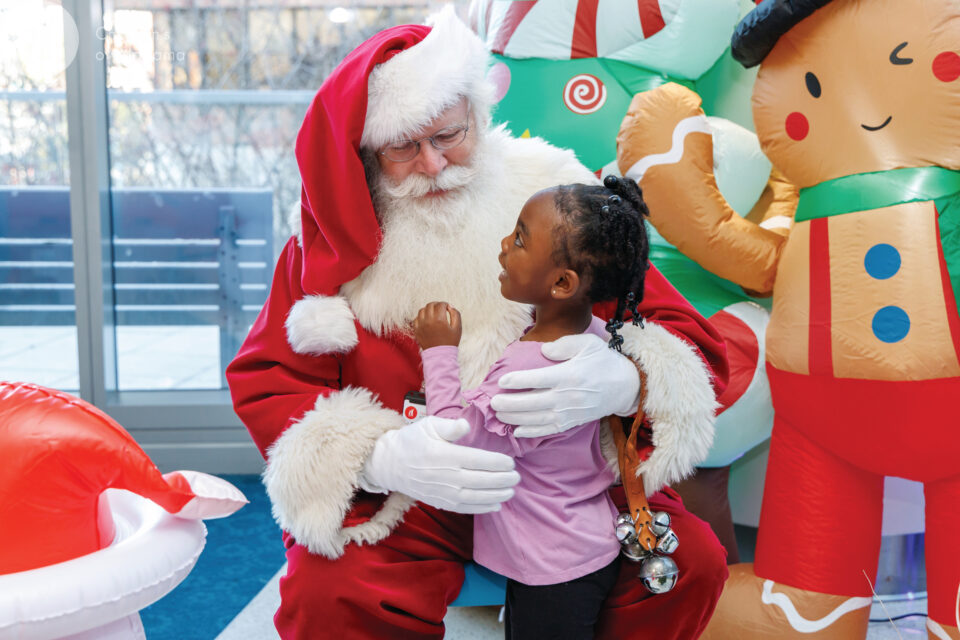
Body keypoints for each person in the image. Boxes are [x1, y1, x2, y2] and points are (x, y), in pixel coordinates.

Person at [226, 7, 729, 639]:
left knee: (686, 564)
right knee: (331, 595)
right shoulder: (325, 242)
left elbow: (680, 330)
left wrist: (629, 380)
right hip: (415, 494)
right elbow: (270, 381)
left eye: (449, 135)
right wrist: (377, 458)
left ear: (477, 112)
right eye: (403, 148)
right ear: (367, 153)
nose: (433, 165)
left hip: (565, 477)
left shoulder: (555, 194)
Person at [412, 176, 651, 639]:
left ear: (562, 283)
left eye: (520, 239)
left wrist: (438, 350)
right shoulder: (596, 336)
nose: (504, 244)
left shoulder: (526, 371)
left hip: (550, 568)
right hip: (586, 543)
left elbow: (454, 445)